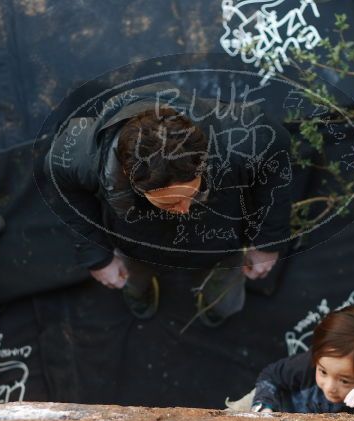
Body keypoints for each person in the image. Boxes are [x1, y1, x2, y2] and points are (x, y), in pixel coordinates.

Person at [43, 82, 293, 326]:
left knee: (225, 298)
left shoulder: (240, 136)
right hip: (134, 243)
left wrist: (267, 242)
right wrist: (97, 256)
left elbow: (276, 160)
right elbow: (62, 185)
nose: (184, 209)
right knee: (133, 281)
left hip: (222, 240)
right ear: (134, 181)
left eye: (191, 194)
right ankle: (141, 294)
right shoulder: (83, 155)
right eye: (171, 202)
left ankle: (216, 309)